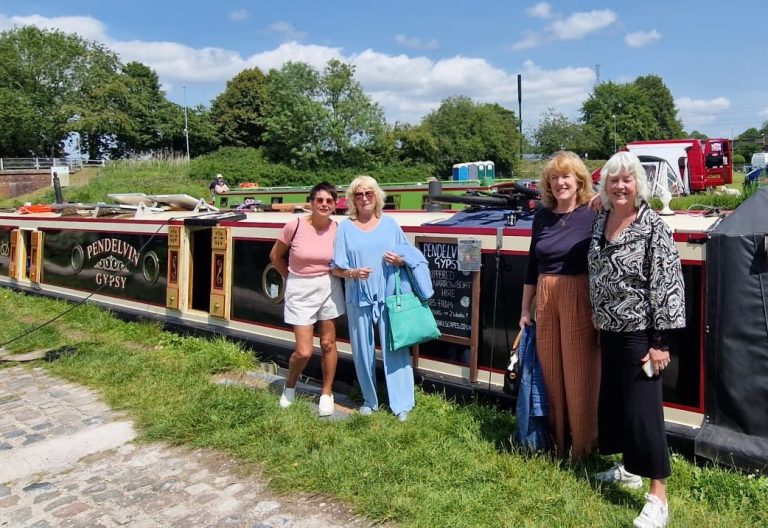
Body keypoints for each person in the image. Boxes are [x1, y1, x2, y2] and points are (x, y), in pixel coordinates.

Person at [589, 151, 685, 528]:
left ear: (639, 184)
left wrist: (660, 342)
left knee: (645, 413)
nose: (621, 185)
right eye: (614, 179)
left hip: (640, 334)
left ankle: (658, 496)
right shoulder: (601, 219)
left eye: (628, 179)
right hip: (609, 330)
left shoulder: (651, 225)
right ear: (606, 185)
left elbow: (668, 285)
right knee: (616, 404)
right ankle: (628, 468)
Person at [519, 151, 599, 459]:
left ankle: (584, 447)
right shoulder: (542, 216)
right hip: (545, 297)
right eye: (554, 178)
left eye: (566, 176)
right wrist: (525, 309)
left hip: (578, 295)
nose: (560, 182)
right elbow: (531, 265)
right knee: (550, 371)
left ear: (579, 180)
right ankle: (556, 441)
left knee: (580, 374)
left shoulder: (592, 213)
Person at [331, 175, 415, 421]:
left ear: (377, 196)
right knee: (362, 351)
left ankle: (402, 404)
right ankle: (370, 400)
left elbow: (409, 256)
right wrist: (353, 273)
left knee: (396, 348)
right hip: (358, 296)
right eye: (359, 194)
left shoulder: (390, 224)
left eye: (369, 193)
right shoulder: (345, 228)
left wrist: (400, 260)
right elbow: (336, 268)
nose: (364, 198)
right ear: (352, 200)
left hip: (389, 296)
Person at [269, 181, 344, 417]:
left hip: (328, 286)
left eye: (329, 201)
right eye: (319, 200)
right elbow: (275, 256)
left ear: (334, 205)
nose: (324, 204)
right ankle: (289, 385)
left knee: (328, 344)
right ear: (311, 203)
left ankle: (326, 392)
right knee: (304, 351)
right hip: (300, 288)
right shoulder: (295, 225)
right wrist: (290, 278)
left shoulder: (337, 229)